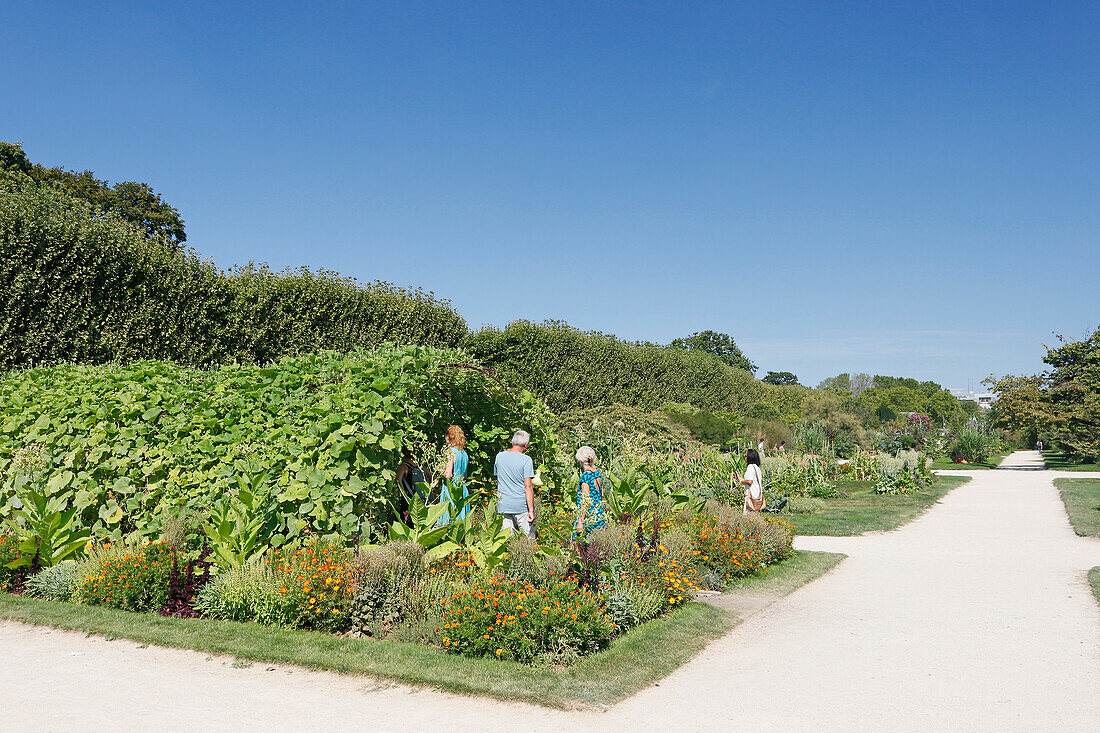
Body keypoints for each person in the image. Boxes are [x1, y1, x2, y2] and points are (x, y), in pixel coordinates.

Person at [493, 430, 535, 536]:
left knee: (506, 538)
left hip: (503, 504)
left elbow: (498, 476)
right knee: (528, 537)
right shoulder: (526, 460)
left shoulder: (499, 456)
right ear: (526, 445)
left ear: (512, 441)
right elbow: (528, 486)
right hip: (520, 505)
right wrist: (531, 510)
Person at [572, 445, 606, 541]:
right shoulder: (598, 474)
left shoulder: (586, 476)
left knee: (578, 545)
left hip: (588, 517)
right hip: (599, 515)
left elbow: (585, 501)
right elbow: (602, 494)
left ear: (580, 460)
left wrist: (580, 522)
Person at [438, 425, 471, 524]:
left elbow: (448, 475)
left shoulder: (450, 452)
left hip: (451, 489)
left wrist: (439, 469)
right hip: (462, 488)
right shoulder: (464, 453)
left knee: (450, 518)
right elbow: (464, 476)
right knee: (461, 519)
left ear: (449, 436)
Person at [395, 447, 430, 524]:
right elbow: (433, 477)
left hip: (409, 498)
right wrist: (430, 488)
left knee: (406, 523)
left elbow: (398, 480)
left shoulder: (404, 467)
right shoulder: (420, 466)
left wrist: (403, 493)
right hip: (421, 499)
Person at [738, 448, 765, 515]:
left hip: (751, 496)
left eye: (746, 456)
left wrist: (741, 481)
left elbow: (749, 481)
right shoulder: (757, 468)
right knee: (755, 515)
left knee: (747, 516)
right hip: (757, 494)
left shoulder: (750, 467)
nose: (745, 458)